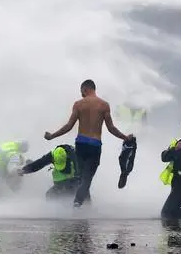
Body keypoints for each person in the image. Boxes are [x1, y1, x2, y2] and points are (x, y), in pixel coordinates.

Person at [44, 79, 133, 208]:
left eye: (81, 92)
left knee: (81, 178)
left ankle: (82, 205)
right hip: (94, 146)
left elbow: (69, 126)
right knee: (87, 179)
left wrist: (52, 136)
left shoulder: (78, 104)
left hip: (80, 145)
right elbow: (111, 128)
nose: (81, 95)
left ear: (85, 89)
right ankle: (78, 204)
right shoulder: (104, 105)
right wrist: (124, 137)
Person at [18, 144, 87, 201]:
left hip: (75, 182)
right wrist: (24, 170)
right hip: (60, 183)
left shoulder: (76, 156)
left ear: (67, 157)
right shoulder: (53, 154)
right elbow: (39, 163)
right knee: (50, 195)